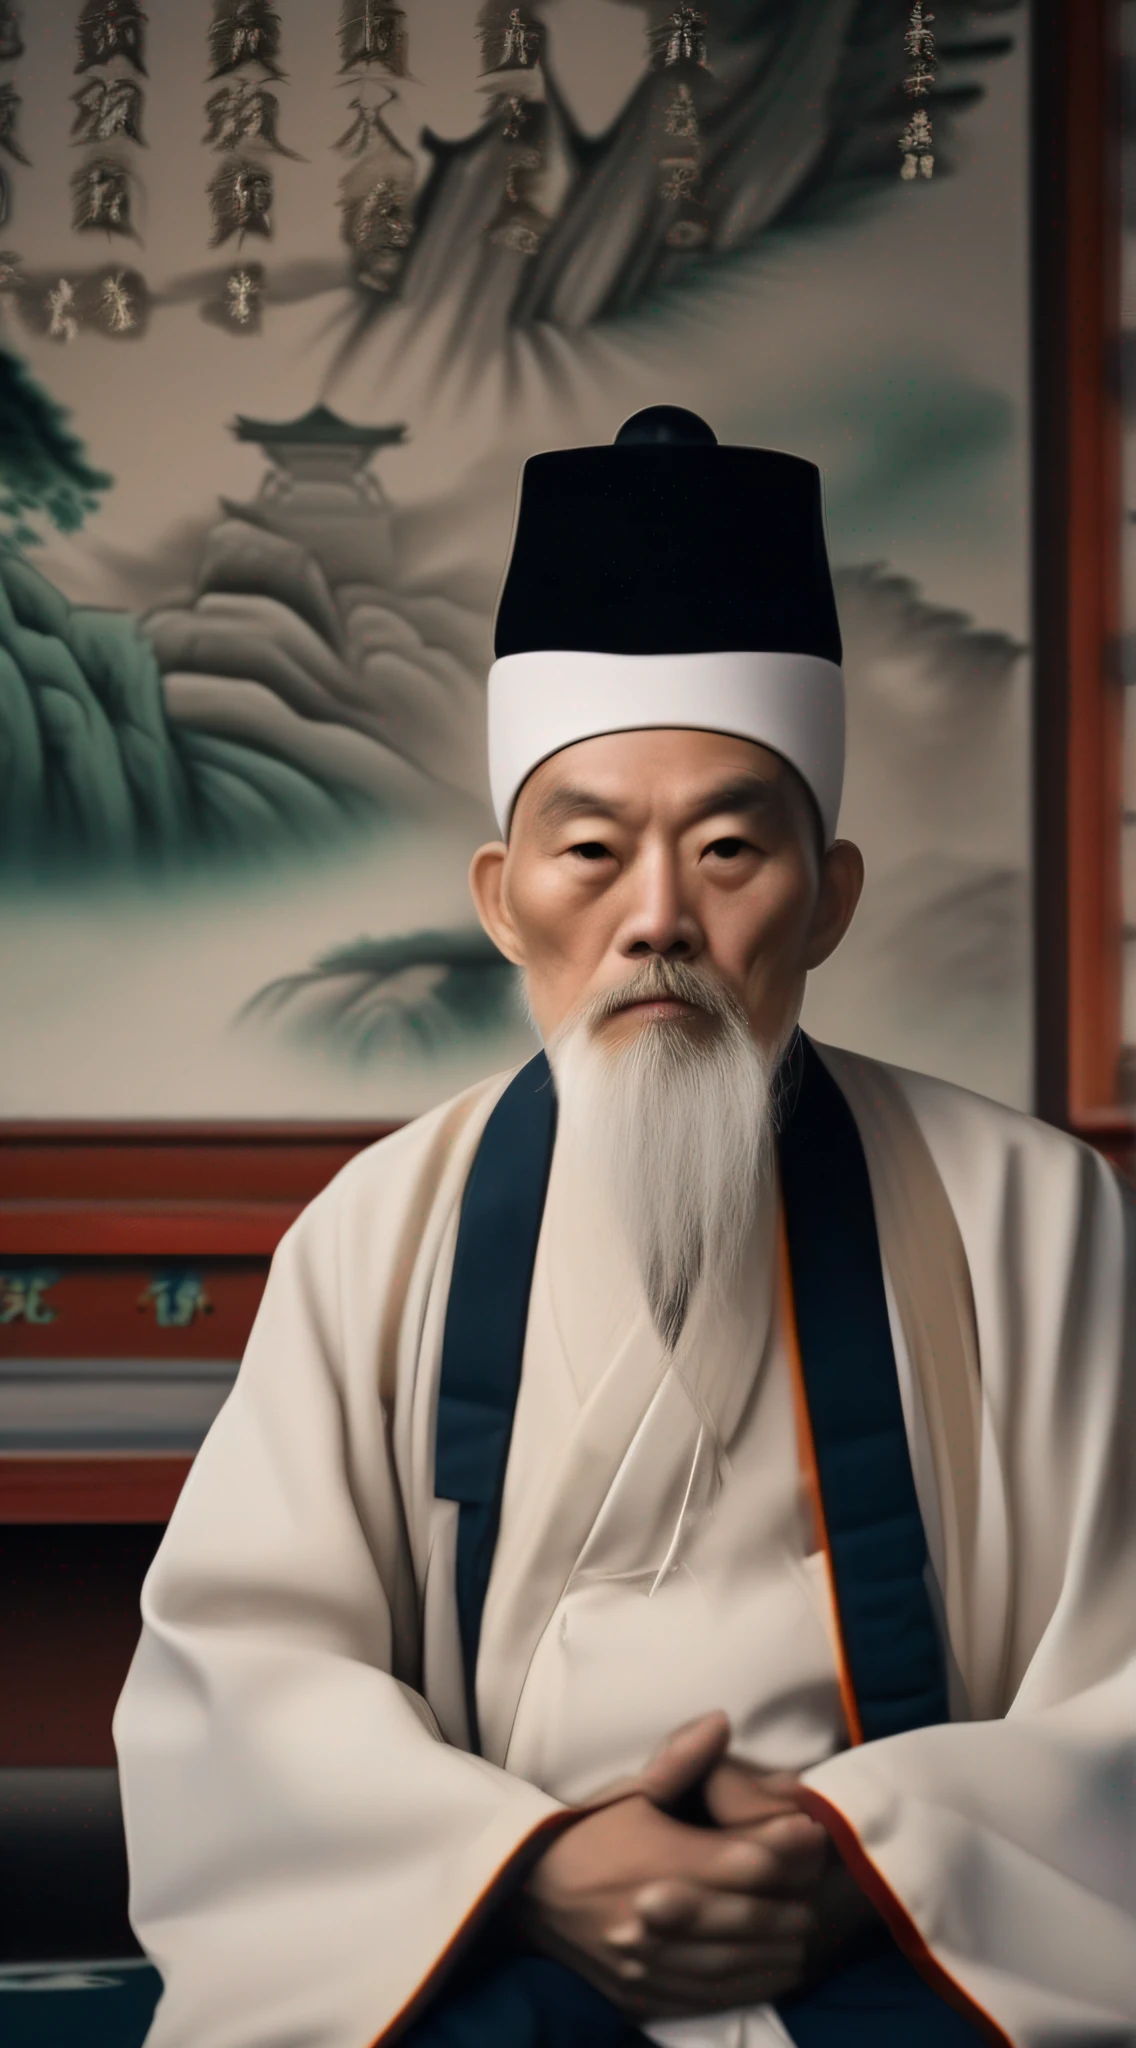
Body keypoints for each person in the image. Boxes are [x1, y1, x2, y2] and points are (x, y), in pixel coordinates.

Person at [114, 409, 1136, 2048]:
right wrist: (524, 1861)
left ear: (835, 889)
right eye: (589, 850)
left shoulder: (1033, 1216)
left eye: (732, 847)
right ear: (501, 892)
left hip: (908, 1943)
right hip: (496, 1942)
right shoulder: (376, 1234)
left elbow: (1121, 1690)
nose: (657, 914)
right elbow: (243, 1683)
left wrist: (861, 1854)